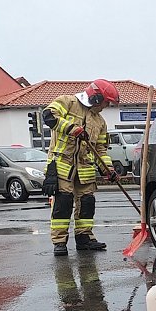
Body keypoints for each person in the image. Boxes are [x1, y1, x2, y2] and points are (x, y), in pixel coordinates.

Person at [42, 79, 120, 256]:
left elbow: (100, 150)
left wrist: (108, 170)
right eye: (106, 102)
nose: (106, 106)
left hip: (85, 169)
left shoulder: (100, 122)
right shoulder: (67, 102)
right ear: (96, 97)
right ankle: (59, 242)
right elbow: (48, 115)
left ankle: (84, 238)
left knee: (86, 203)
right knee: (64, 202)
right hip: (62, 165)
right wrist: (71, 128)